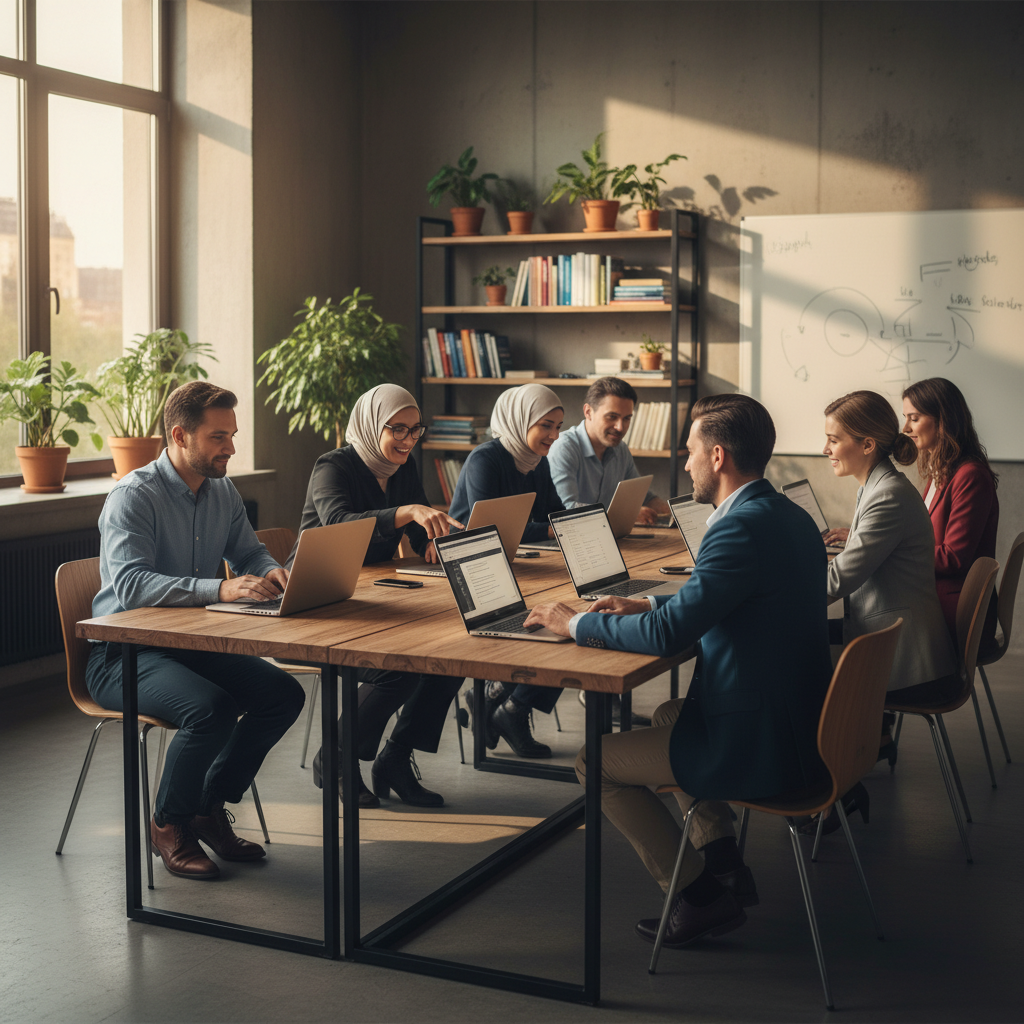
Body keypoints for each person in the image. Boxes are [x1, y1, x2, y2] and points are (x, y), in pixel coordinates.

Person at [525, 395, 833, 949]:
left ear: (718, 456)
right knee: (671, 712)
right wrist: (644, 604)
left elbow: (670, 636)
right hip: (803, 721)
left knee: (596, 763)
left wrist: (575, 625)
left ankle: (697, 897)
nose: (685, 464)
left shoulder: (736, 529)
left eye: (690, 452)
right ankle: (724, 864)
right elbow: (731, 596)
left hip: (761, 740)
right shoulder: (788, 516)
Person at [86, 381, 306, 881]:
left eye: (232, 435)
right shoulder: (132, 496)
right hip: (121, 653)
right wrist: (219, 589)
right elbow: (132, 585)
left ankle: (207, 805)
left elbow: (247, 552)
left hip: (189, 643)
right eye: (218, 437)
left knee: (282, 695)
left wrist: (272, 572)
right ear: (180, 435)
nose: (231, 448)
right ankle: (169, 823)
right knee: (211, 710)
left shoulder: (222, 489)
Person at [293, 383, 465, 809]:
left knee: (452, 658)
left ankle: (395, 758)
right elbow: (338, 521)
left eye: (415, 429)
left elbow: (418, 527)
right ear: (372, 425)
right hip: (317, 598)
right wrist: (406, 513)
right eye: (398, 429)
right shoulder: (333, 465)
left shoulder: (402, 467)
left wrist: (432, 541)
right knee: (398, 670)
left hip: (371, 592)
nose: (408, 439)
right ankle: (336, 756)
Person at [448, 383, 565, 758]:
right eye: (545, 425)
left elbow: (554, 513)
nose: (554, 435)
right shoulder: (485, 459)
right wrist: (552, 529)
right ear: (520, 420)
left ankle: (502, 701)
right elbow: (491, 528)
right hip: (472, 571)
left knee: (572, 616)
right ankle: (501, 702)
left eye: (558, 427)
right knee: (558, 620)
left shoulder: (536, 462)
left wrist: (571, 523)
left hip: (516, 564)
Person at [900, 377, 999, 649]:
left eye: (914, 418)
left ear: (943, 420)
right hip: (939, 597)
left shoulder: (970, 476)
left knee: (871, 627)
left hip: (959, 610)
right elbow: (924, 535)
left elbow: (953, 557)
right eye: (905, 418)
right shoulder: (942, 470)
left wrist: (893, 550)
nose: (905, 428)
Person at [547, 376, 670, 523]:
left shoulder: (621, 449)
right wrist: (623, 515)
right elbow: (565, 510)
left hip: (609, 535)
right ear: (588, 412)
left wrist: (673, 511)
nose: (620, 427)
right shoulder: (563, 448)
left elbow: (643, 497)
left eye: (627, 418)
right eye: (612, 417)